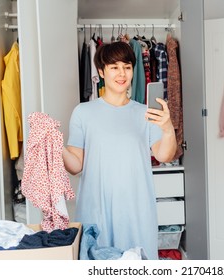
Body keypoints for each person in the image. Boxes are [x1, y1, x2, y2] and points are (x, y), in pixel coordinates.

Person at [62, 41, 177, 260]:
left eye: (127, 66)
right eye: (114, 67)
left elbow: (164, 155)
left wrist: (167, 128)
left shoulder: (146, 113)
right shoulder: (83, 112)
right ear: (101, 71)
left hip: (136, 209)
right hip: (96, 209)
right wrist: (56, 144)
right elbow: (76, 165)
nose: (121, 73)